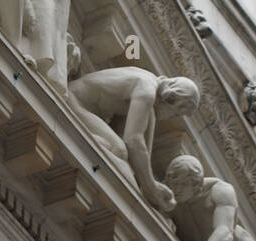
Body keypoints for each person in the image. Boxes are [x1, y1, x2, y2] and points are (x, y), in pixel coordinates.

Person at [67, 69, 200, 211]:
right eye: (175, 114)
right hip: (75, 102)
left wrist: (148, 183)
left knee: (123, 158)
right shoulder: (147, 91)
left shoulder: (149, 84)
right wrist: (151, 187)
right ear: (171, 99)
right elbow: (133, 140)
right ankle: (82, 154)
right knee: (118, 150)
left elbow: (142, 148)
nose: (170, 118)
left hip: (83, 106)